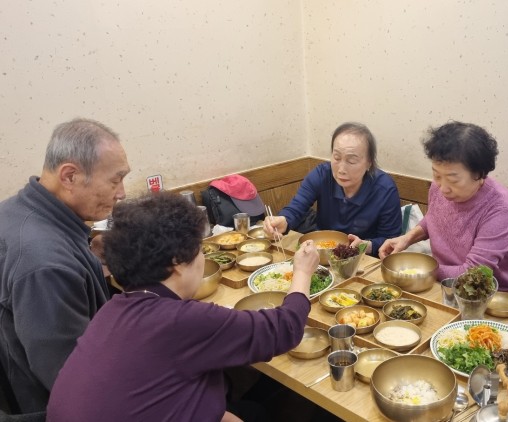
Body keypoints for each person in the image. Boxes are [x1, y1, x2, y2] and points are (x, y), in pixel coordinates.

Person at [47, 192, 320, 421]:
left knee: (250, 410)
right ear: (177, 261)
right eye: (199, 249)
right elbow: (284, 328)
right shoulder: (179, 321)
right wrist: (302, 272)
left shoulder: (112, 309)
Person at [0, 118, 130, 413]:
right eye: (115, 180)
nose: (121, 192)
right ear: (69, 176)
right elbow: (72, 380)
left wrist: (90, 254)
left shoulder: (18, 210)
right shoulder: (45, 263)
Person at [379, 121, 508, 297]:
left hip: (490, 298)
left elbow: (473, 274)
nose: (443, 188)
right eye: (436, 175)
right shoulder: (439, 187)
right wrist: (407, 238)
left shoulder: (501, 209)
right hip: (442, 286)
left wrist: (418, 268)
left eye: (453, 180)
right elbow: (434, 218)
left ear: (480, 174)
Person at [263, 122, 401, 256]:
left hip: (364, 259)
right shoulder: (321, 175)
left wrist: (366, 245)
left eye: (351, 161)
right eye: (336, 157)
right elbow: (296, 207)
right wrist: (284, 220)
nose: (341, 169)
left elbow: (390, 241)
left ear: (369, 163)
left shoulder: (385, 189)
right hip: (323, 253)